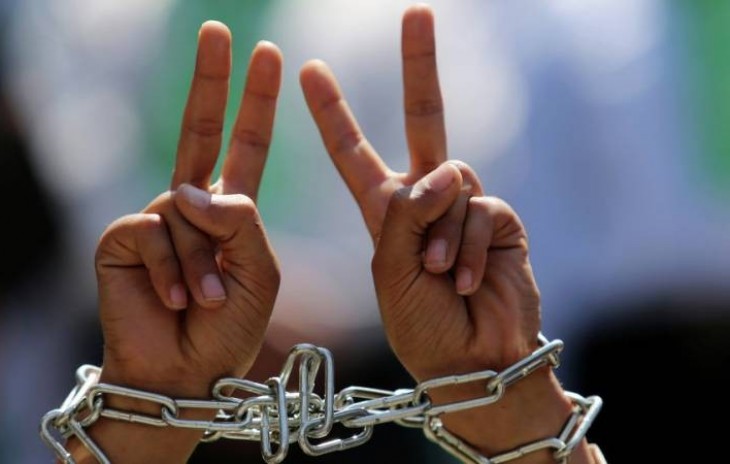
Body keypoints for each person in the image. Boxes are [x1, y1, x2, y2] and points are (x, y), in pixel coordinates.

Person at [43, 5, 605, 463]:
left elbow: (468, 163)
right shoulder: (101, 19)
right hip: (155, 337)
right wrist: (151, 390)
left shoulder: (396, 18)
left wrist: (510, 410)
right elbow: (76, 161)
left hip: (364, 370)